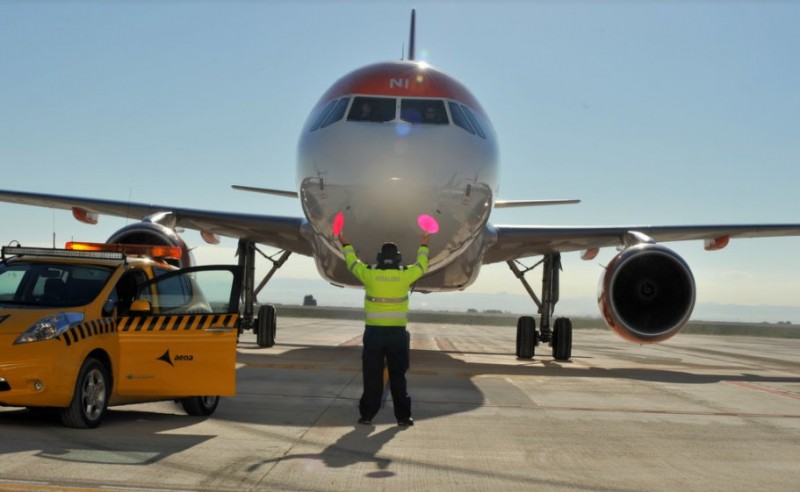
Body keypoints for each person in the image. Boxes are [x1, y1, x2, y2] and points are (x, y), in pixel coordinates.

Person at [337, 231, 430, 427]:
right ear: (398, 258)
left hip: (374, 334)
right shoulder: (405, 276)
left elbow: (352, 263)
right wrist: (424, 244)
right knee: (398, 377)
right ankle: (403, 417)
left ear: (379, 257)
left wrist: (345, 243)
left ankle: (367, 416)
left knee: (372, 377)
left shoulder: (370, 274)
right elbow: (422, 265)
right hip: (397, 334)